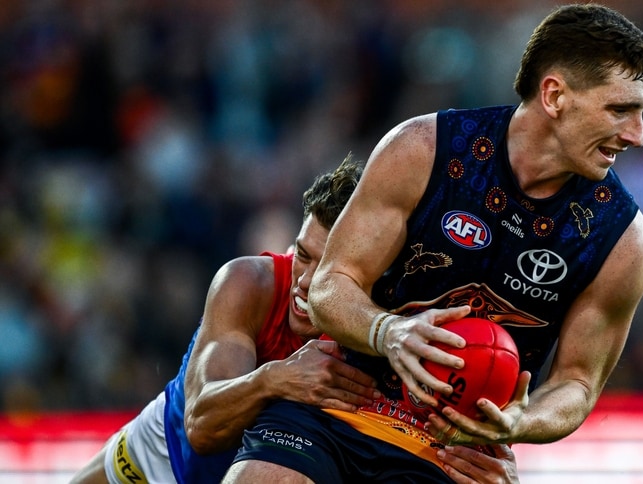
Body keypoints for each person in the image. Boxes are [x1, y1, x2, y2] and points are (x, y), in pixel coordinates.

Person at [224, 3, 643, 483]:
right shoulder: (423, 149)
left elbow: (577, 384)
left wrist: (522, 422)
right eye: (620, 109)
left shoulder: (622, 239)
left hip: (452, 453)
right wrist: (388, 333)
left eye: (640, 112)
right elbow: (332, 285)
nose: (636, 135)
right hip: (336, 408)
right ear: (555, 94)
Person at [72, 155, 519, 484]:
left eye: (327, 266)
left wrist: (500, 471)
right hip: (163, 456)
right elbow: (201, 426)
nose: (305, 281)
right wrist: (277, 380)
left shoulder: (400, 325)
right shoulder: (250, 283)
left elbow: (465, 437)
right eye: (302, 255)